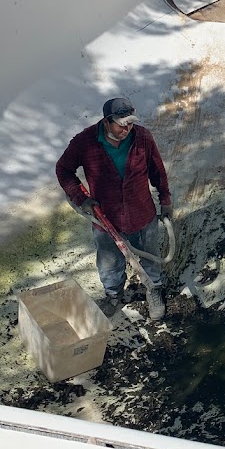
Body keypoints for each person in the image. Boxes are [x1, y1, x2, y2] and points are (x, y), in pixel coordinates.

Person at [55, 97, 172, 321]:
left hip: (142, 213)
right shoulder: (85, 142)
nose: (127, 129)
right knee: (109, 262)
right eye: (121, 124)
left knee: (150, 255)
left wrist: (165, 200)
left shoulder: (143, 137)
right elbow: (63, 169)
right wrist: (81, 198)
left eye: (130, 123)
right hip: (105, 218)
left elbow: (157, 171)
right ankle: (112, 294)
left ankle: (153, 289)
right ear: (107, 121)